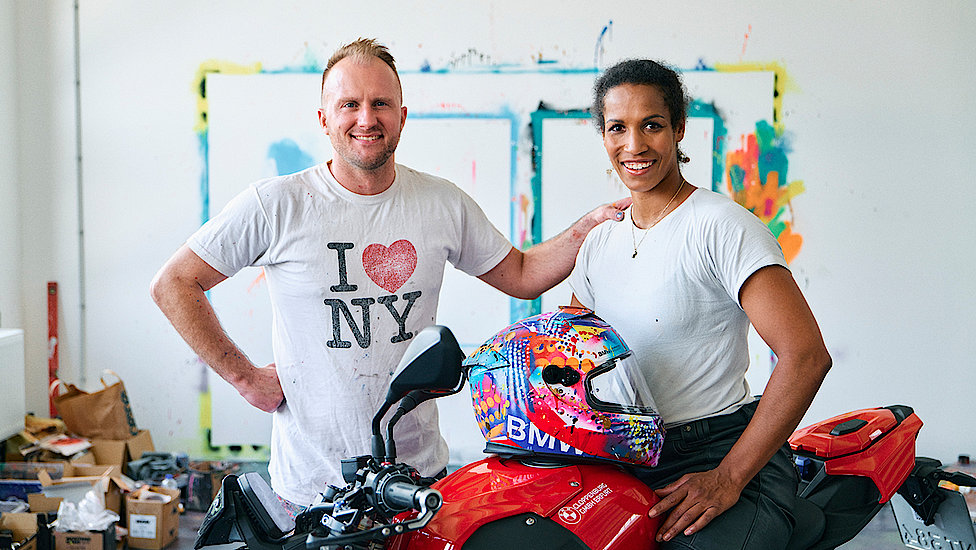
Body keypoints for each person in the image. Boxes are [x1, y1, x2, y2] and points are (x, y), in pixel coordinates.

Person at [149, 38, 628, 508]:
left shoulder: (441, 202)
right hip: (312, 489)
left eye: (381, 103)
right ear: (323, 119)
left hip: (418, 478)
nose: (366, 118)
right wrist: (244, 377)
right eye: (349, 104)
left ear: (402, 115)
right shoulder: (277, 204)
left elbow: (522, 274)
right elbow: (173, 283)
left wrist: (584, 229)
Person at [566, 59, 832, 548]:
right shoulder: (599, 242)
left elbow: (807, 357)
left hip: (721, 451)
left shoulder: (722, 226)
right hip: (624, 456)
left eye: (652, 125)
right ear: (601, 135)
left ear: (679, 128)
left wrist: (728, 478)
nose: (634, 145)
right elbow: (570, 352)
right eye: (617, 128)